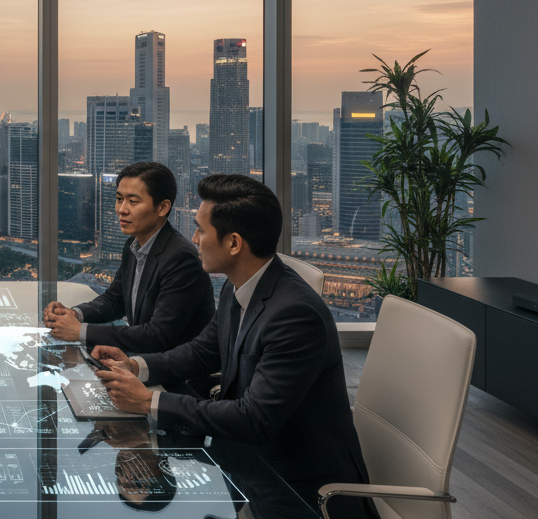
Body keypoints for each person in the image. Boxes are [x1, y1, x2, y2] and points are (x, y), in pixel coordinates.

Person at [92, 174, 377, 519]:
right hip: (245, 466)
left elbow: (255, 419)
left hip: (301, 492)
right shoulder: (238, 284)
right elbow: (203, 351)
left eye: (201, 230)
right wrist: (137, 366)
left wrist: (148, 401)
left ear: (234, 243)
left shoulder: (295, 315)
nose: (194, 239)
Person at [43, 161, 214, 354]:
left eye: (133, 201)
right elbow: (116, 300)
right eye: (119, 199)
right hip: (138, 360)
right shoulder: (133, 244)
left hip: (172, 368)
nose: (122, 209)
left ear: (162, 207)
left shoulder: (181, 259)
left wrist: (80, 331)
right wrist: (74, 314)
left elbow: (157, 336)